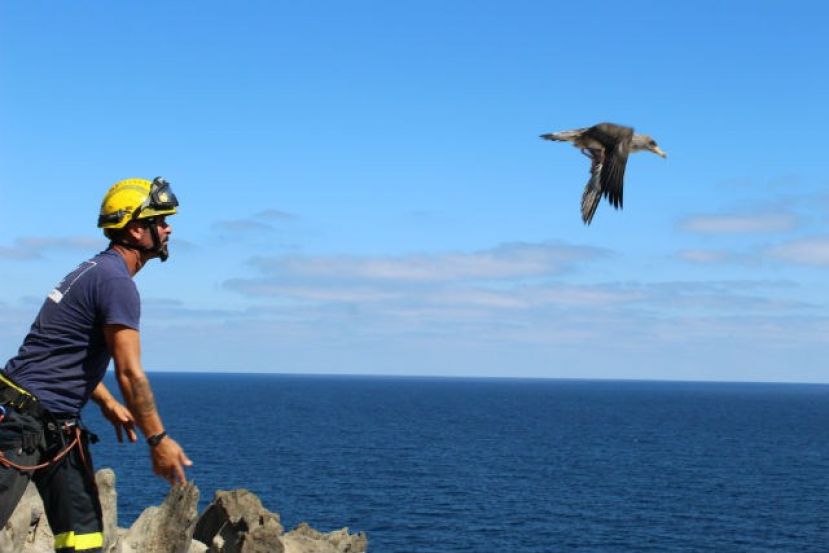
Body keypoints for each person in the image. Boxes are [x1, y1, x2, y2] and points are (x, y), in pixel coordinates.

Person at [0, 177, 192, 552]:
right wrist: (159, 440)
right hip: (22, 421)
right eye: (161, 220)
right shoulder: (116, 282)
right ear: (137, 230)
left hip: (56, 426)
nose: (168, 228)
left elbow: (64, 350)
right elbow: (130, 372)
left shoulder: (96, 272)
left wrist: (104, 401)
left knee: (84, 538)